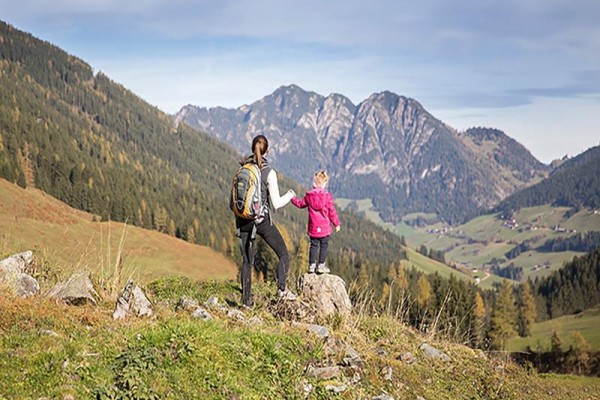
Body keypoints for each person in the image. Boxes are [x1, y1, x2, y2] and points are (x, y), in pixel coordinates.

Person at [236, 135, 297, 308]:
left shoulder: (244, 167)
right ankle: (282, 290)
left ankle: (246, 302)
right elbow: (276, 203)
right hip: (261, 222)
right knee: (284, 254)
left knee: (247, 261)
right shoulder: (269, 172)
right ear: (267, 151)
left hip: (243, 220)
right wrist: (290, 195)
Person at [291, 170, 341, 274]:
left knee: (313, 246)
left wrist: (292, 198)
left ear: (314, 183)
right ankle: (321, 266)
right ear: (324, 183)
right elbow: (332, 211)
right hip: (324, 228)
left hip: (313, 227)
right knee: (324, 245)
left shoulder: (309, 196)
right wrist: (336, 224)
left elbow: (300, 204)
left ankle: (311, 266)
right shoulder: (327, 197)